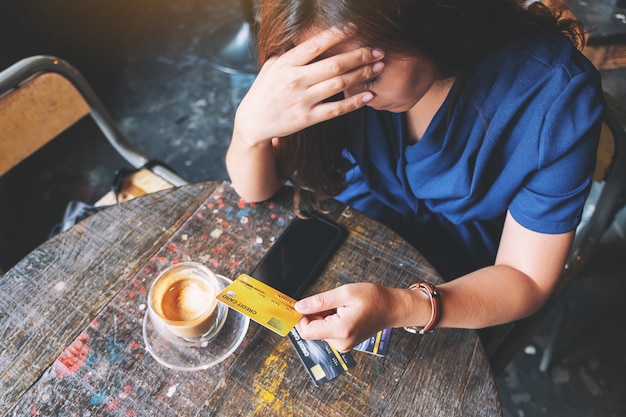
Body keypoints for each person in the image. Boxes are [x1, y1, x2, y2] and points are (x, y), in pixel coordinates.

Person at [225, 0, 605, 352]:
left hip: (469, 282)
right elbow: (256, 189)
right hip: (357, 224)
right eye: (334, 79)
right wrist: (249, 128)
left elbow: (526, 278)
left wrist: (404, 305)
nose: (350, 95)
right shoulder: (332, 82)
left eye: (366, 74)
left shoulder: (551, 96)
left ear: (425, 19)